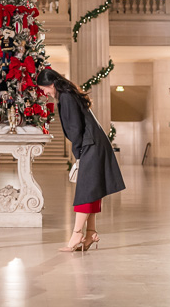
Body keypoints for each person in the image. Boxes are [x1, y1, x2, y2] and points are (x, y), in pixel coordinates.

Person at [37, 68, 125, 252]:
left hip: (90, 145)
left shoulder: (66, 97)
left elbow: (75, 128)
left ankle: (77, 233)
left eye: (44, 88)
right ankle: (91, 233)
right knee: (91, 189)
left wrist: (77, 154)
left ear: (51, 84)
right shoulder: (68, 94)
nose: (44, 92)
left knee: (85, 191)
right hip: (93, 143)